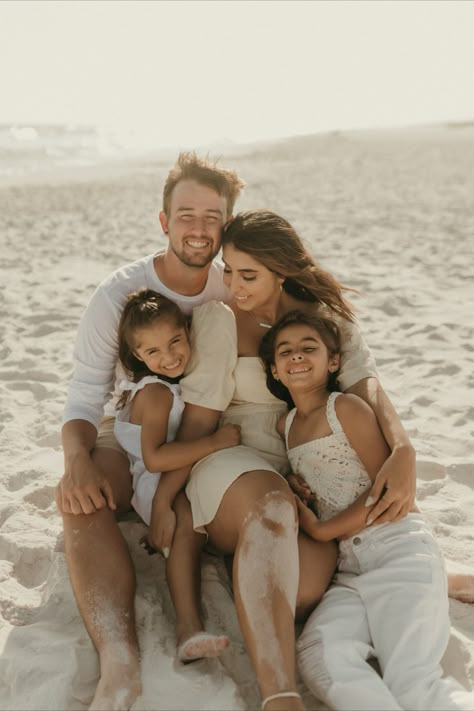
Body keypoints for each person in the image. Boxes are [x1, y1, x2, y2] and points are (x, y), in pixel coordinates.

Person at [155, 208, 418, 710]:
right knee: (271, 507)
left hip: (300, 468)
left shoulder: (324, 317)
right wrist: (168, 494)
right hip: (228, 459)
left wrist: (404, 449)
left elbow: (368, 389)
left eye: (247, 275)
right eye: (227, 271)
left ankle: (414, 565)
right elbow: (200, 420)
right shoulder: (219, 319)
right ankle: (280, 694)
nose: (232, 284)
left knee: (301, 592)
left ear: (283, 272)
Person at [56, 152, 245, 710]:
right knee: (81, 500)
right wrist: (76, 458)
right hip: (135, 429)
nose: (199, 228)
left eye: (213, 216)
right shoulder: (118, 294)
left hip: (208, 435)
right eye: (186, 214)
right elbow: (85, 392)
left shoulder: (232, 289)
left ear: (227, 225)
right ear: (164, 221)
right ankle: (118, 658)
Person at [259, 310, 474, 710]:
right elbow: (322, 474)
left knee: (413, 681)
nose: (297, 357)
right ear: (274, 369)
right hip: (350, 570)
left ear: (334, 361)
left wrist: (322, 531)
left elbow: (386, 489)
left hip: (397, 550)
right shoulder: (285, 427)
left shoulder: (346, 408)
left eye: (310, 348)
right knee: (321, 655)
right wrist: (293, 482)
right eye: (285, 352)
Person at [114, 288, 242, 660]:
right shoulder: (155, 394)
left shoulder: (166, 384)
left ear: (188, 331)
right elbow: (154, 459)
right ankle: (188, 628)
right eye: (153, 351)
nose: (169, 357)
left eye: (175, 341)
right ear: (137, 355)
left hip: (176, 466)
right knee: (184, 527)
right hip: (154, 480)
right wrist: (215, 442)